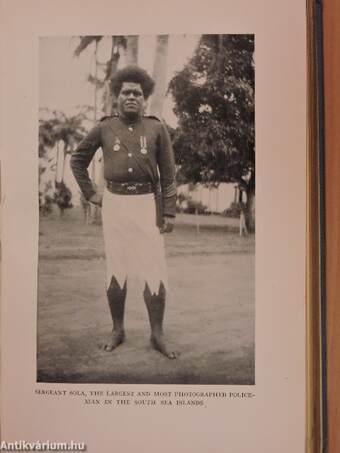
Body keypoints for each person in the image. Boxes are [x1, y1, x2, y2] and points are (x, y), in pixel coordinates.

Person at [70, 66, 178, 359]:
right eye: (126, 92)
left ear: (145, 100)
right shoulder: (104, 127)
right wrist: (91, 193)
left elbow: (168, 175)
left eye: (137, 94)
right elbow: (78, 160)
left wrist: (168, 212)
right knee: (116, 266)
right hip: (115, 205)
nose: (132, 97)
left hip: (147, 205)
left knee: (153, 267)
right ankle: (118, 329)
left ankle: (157, 333)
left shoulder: (157, 128)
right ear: (117, 97)